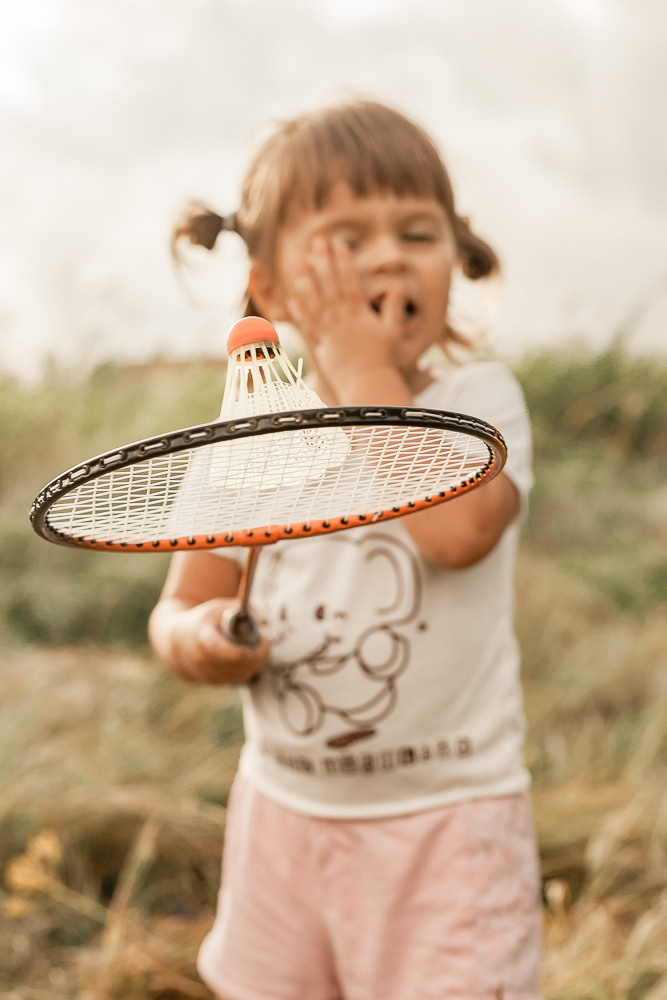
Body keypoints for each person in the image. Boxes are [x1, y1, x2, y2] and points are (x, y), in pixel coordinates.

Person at [150, 99, 542, 1000]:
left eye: (417, 232)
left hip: (445, 824)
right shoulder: (250, 435)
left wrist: (364, 371)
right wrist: (201, 640)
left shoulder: (477, 403)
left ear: (455, 259)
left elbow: (456, 534)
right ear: (274, 285)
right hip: (282, 818)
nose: (389, 257)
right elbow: (175, 608)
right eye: (346, 238)